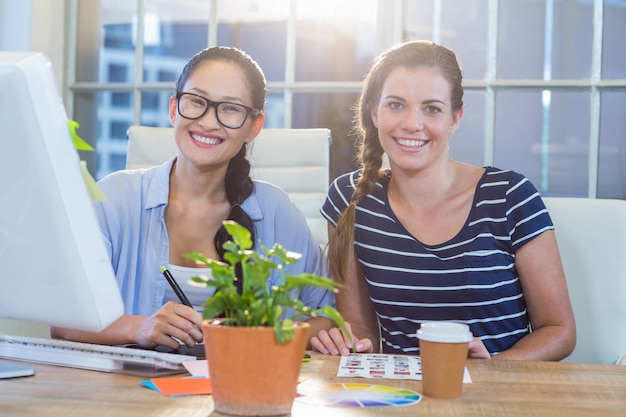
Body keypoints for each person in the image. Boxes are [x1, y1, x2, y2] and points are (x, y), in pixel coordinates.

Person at [52, 46, 334, 350]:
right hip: (128, 389)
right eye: (196, 101)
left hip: (243, 383)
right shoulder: (115, 198)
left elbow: (326, 315)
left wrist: (262, 339)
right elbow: (65, 321)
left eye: (230, 108)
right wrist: (139, 327)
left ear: (254, 126)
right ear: (174, 108)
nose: (209, 122)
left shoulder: (277, 211)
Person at [310, 40, 576, 360]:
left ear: (455, 119)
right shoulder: (348, 200)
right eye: (396, 105)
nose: (412, 123)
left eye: (432, 109)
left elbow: (559, 330)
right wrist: (343, 344)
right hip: (403, 400)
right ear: (374, 113)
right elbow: (362, 331)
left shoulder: (509, 196)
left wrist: (491, 370)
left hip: (499, 398)